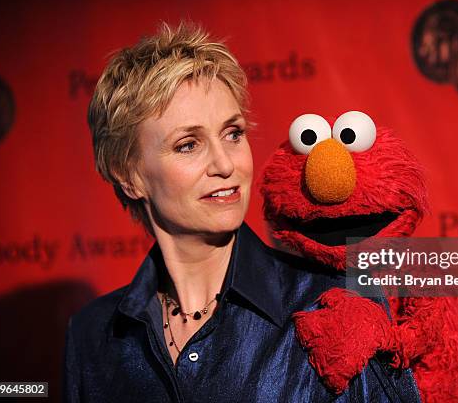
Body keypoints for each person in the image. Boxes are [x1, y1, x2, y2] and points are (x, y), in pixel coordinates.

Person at [63, 21, 421, 402]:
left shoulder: (334, 300)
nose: (225, 164)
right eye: (188, 144)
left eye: (233, 134)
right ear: (129, 175)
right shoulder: (92, 334)